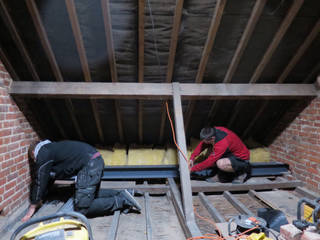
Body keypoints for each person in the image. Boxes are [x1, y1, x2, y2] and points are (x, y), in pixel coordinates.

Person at [22, 140, 141, 222]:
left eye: (34, 160)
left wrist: (33, 205)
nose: (36, 162)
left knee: (82, 208)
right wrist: (43, 196)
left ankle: (121, 201)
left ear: (33, 153)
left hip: (89, 166)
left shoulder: (43, 152)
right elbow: (48, 178)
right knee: (90, 195)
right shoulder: (52, 148)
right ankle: (124, 193)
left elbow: (40, 178)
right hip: (96, 160)